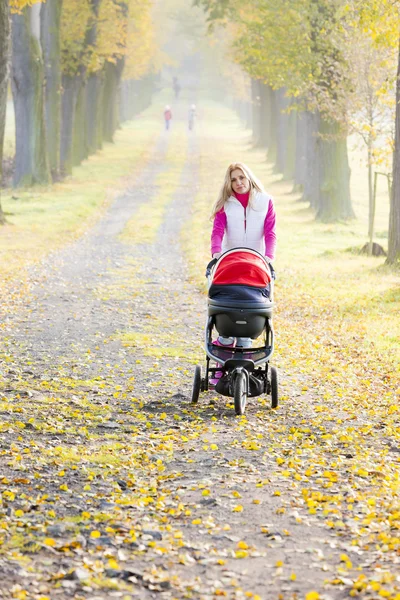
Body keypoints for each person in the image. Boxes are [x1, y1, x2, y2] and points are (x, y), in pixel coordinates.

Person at [209, 162, 276, 383]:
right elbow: (218, 231)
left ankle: (245, 364)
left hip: (256, 265)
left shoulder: (265, 202)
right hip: (231, 263)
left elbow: (270, 231)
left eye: (242, 178)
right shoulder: (225, 205)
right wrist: (216, 253)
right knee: (229, 311)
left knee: (250, 315)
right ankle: (223, 348)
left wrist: (269, 257)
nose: (238, 183)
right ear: (229, 183)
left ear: (249, 178)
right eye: (234, 180)